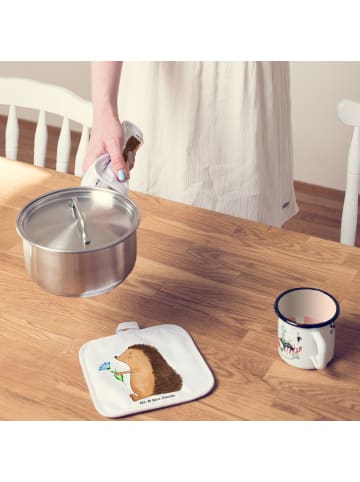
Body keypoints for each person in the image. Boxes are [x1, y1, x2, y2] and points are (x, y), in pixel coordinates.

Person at [83, 61, 298, 227]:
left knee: (249, 235)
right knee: (149, 228)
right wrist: (103, 114)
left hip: (246, 87)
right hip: (162, 92)